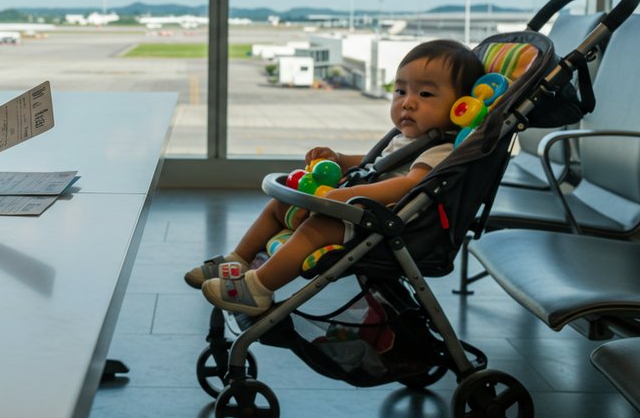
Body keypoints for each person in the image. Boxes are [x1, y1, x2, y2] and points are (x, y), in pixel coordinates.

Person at [184, 39, 484, 314]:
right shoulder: (409, 139)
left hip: (387, 224)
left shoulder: (441, 149)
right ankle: (239, 258)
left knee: (318, 227)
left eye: (426, 93)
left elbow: (409, 184)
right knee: (279, 206)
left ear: (460, 106)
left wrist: (341, 197)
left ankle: (257, 288)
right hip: (360, 209)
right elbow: (376, 165)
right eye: (400, 91)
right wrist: (340, 160)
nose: (407, 102)